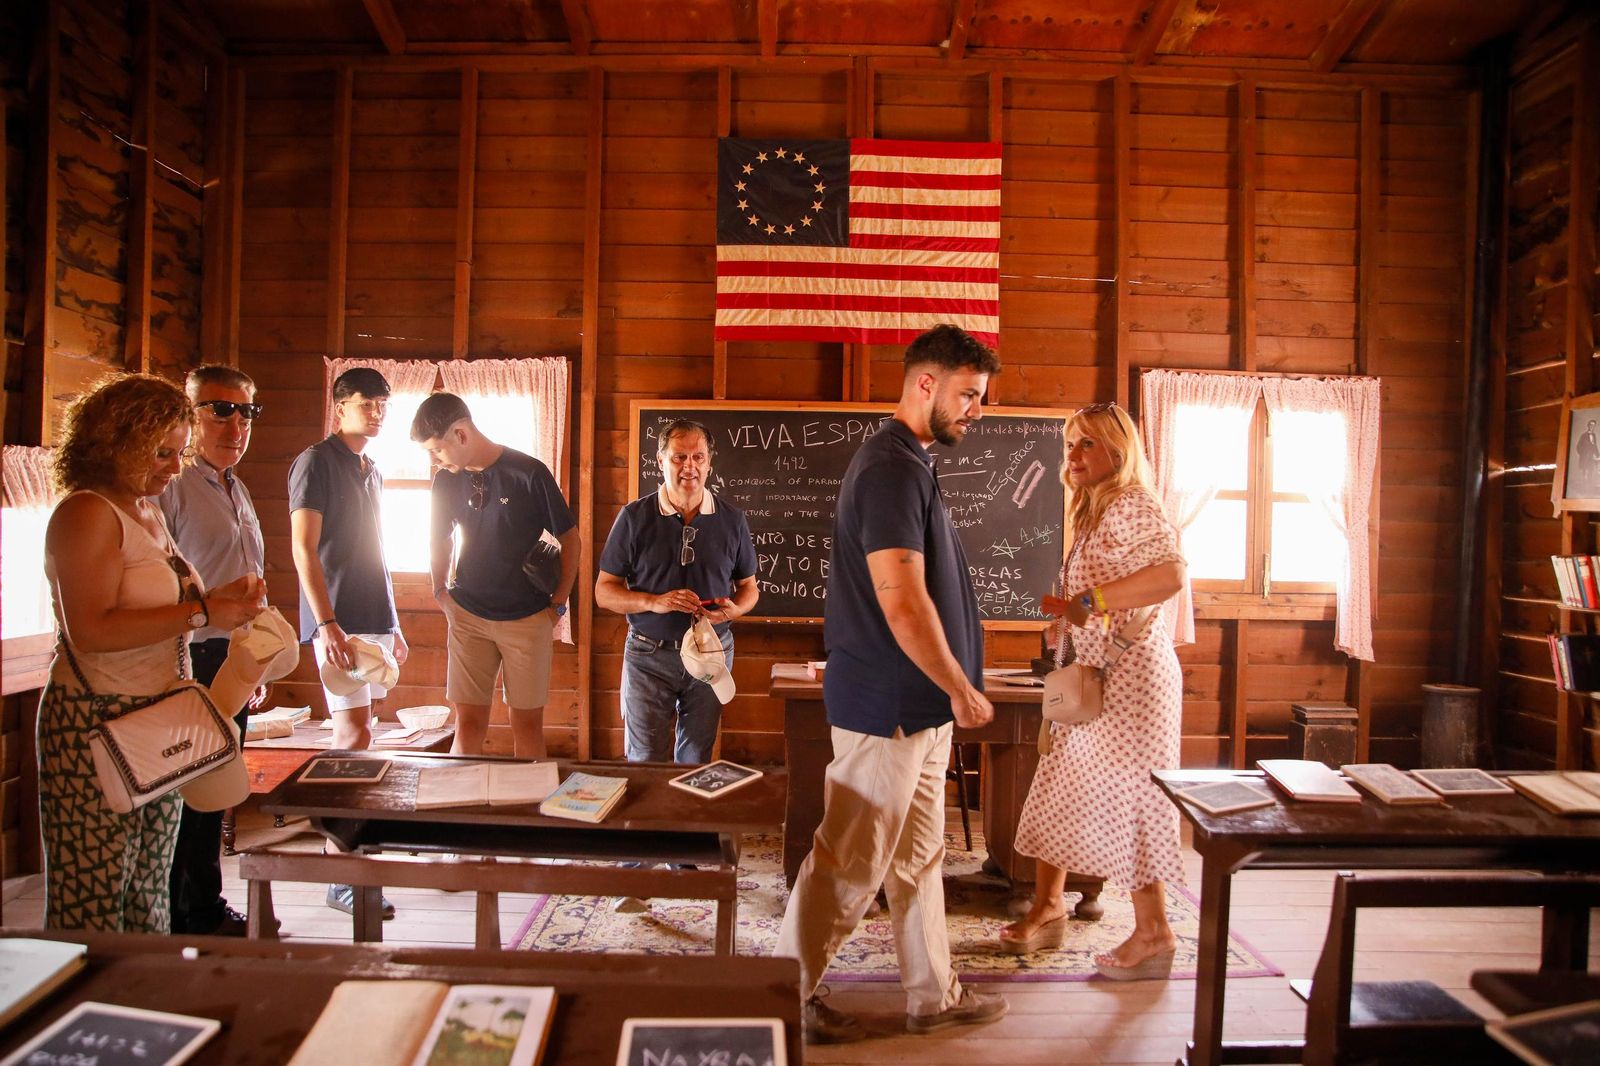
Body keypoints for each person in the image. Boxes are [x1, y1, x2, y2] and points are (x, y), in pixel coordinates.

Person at [776, 325, 1008, 1045]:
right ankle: (781, 999)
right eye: (968, 394)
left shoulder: (911, 462)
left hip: (918, 708)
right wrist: (962, 689)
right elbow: (902, 601)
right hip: (891, 708)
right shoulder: (890, 468)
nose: (976, 410)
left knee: (918, 859)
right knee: (850, 860)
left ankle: (932, 996)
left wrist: (949, 693)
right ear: (925, 384)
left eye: (981, 397)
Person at [39, 373, 263, 932]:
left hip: (158, 715)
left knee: (148, 892)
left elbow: (164, 606)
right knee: (93, 898)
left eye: (179, 453)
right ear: (114, 443)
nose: (173, 467)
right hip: (96, 719)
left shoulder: (147, 511)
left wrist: (221, 601)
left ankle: (149, 982)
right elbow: (90, 631)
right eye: (161, 453)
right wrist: (203, 613)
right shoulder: (86, 513)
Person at [998, 401, 1188, 981]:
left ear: (1118, 452)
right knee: (1060, 783)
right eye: (1070, 443)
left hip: (1133, 684)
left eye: (1087, 443)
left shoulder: (1131, 503)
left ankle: (1154, 932)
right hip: (1095, 676)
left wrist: (1091, 601)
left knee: (1134, 802)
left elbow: (1171, 575)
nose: (1074, 454)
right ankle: (1049, 906)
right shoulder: (1095, 509)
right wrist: (1069, 620)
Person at [289, 365, 408, 918]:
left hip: (373, 614)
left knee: (367, 733)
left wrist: (395, 623)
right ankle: (341, 872)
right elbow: (303, 548)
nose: (377, 413)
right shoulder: (316, 462)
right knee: (351, 735)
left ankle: (356, 857)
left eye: (383, 404)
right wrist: (327, 624)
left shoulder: (371, 468)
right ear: (339, 407)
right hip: (337, 620)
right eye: (366, 404)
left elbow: (377, 548)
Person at [159, 364, 273, 936]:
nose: (236, 425)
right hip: (191, 657)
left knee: (217, 787)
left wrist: (257, 659)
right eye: (220, 410)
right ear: (189, 416)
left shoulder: (237, 488)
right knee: (191, 794)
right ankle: (185, 915)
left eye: (245, 412)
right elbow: (158, 580)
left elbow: (250, 579)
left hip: (234, 656)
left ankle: (201, 906)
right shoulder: (171, 486)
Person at [410, 392, 580, 758]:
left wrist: (558, 605)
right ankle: (461, 797)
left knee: (526, 726)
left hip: (527, 618)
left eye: (436, 450)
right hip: (467, 616)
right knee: (468, 725)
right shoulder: (445, 481)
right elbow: (439, 538)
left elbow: (570, 539)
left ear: (461, 434)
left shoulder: (528, 472)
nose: (433, 460)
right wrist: (440, 591)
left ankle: (526, 799)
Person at [595, 419, 759, 764]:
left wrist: (734, 610)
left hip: (713, 651)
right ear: (660, 460)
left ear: (709, 463)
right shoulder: (633, 517)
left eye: (698, 457)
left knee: (696, 758)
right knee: (644, 759)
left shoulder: (732, 520)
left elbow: (749, 588)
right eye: (679, 457)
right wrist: (652, 602)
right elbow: (604, 592)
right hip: (647, 654)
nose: (689, 466)